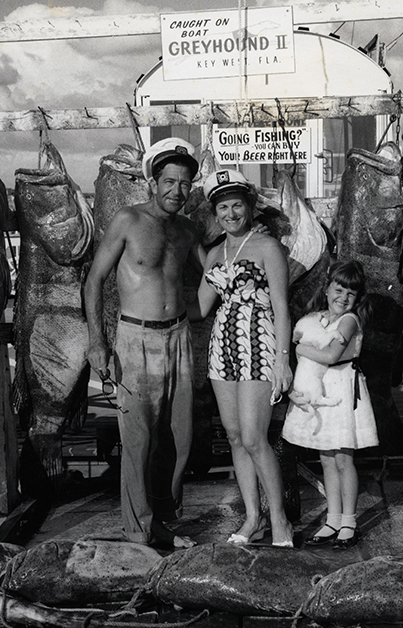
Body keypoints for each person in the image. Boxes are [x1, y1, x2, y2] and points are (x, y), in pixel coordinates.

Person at [83, 137, 205, 550]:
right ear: (153, 182)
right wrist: (97, 341)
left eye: (185, 184)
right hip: (134, 340)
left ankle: (165, 521)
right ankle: (138, 533)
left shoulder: (188, 230)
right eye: (169, 182)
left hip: (180, 338)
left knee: (179, 439)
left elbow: (216, 273)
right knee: (138, 441)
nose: (177, 191)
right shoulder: (127, 220)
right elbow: (94, 280)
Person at [194, 168, 296, 547]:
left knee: (255, 437)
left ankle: (280, 520)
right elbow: (200, 307)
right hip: (223, 348)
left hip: (260, 344)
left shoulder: (268, 247)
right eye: (223, 207)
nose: (231, 214)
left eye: (237, 205)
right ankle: (252, 519)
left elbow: (283, 309)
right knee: (235, 437)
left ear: (249, 207)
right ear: (215, 212)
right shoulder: (214, 253)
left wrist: (282, 361)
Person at [282, 259, 378, 549]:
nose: (343, 298)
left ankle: (349, 520)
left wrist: (299, 348)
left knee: (343, 458)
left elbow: (332, 356)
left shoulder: (349, 320)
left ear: (357, 298)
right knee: (326, 458)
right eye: (338, 290)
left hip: (343, 388)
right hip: (322, 388)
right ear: (326, 290)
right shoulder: (317, 317)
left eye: (350, 294)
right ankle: (332, 519)